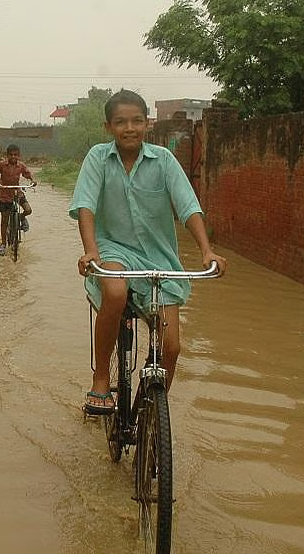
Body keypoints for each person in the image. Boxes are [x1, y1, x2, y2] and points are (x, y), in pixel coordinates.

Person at [68, 91, 226, 415]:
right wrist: (91, 252)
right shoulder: (98, 157)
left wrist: (207, 251)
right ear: (108, 127)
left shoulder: (164, 160)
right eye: (121, 122)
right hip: (113, 249)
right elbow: (85, 206)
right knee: (115, 293)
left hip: (159, 258)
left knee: (171, 347)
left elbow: (188, 207)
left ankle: (149, 414)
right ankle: (101, 378)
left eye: (137, 121)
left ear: (147, 123)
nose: (130, 128)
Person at [0, 144, 37, 256]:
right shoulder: (2, 164)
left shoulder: (21, 166)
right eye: (11, 155)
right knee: (4, 220)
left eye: (15, 155)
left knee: (28, 210)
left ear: (18, 156)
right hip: (4, 195)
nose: (13, 157)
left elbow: (27, 174)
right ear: (7, 155)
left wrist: (32, 180)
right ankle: (3, 244)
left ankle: (20, 218)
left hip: (17, 193)